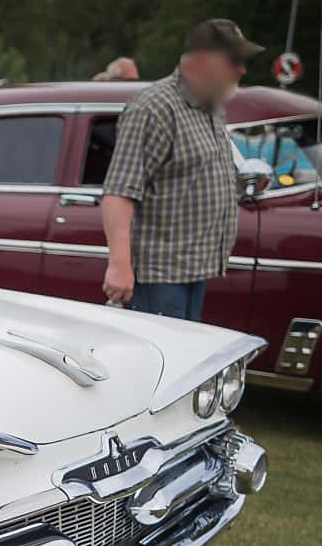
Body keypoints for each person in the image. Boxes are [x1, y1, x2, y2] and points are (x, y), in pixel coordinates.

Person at [101, 18, 262, 321]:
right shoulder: (154, 108)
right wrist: (120, 264)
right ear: (204, 61)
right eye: (234, 61)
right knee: (166, 361)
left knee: (186, 358)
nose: (241, 69)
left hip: (194, 268)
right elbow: (119, 192)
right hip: (159, 274)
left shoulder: (210, 106)